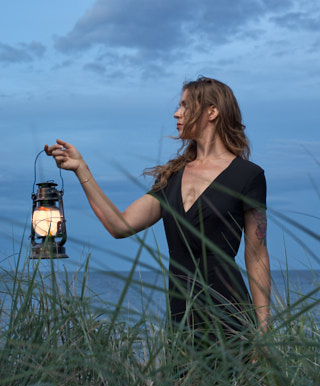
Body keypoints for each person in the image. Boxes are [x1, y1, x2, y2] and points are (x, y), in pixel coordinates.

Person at [45, 76, 270, 353]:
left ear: (212, 112)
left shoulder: (248, 176)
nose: (177, 113)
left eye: (186, 105)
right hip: (181, 318)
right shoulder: (173, 178)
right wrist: (82, 169)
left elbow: (257, 254)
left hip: (230, 315)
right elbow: (120, 225)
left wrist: (263, 330)